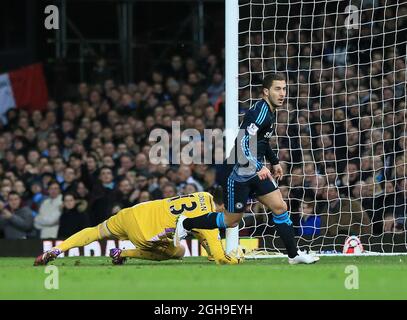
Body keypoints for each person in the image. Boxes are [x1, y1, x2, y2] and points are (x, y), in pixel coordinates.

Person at [175, 73, 319, 264]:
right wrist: (259, 166)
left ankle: (294, 255)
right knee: (230, 221)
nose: (283, 93)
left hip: (253, 170)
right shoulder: (259, 112)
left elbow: (261, 142)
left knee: (280, 207)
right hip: (238, 172)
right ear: (266, 92)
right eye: (277, 89)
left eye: (284, 89)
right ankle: (186, 223)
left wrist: (274, 161)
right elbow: (243, 142)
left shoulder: (269, 111)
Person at [34, 191, 241, 266]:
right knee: (178, 252)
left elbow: (198, 231)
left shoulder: (203, 195)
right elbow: (220, 258)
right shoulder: (210, 225)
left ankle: (56, 250)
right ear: (223, 208)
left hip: (132, 213)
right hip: (147, 234)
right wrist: (237, 256)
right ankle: (125, 252)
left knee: (96, 231)